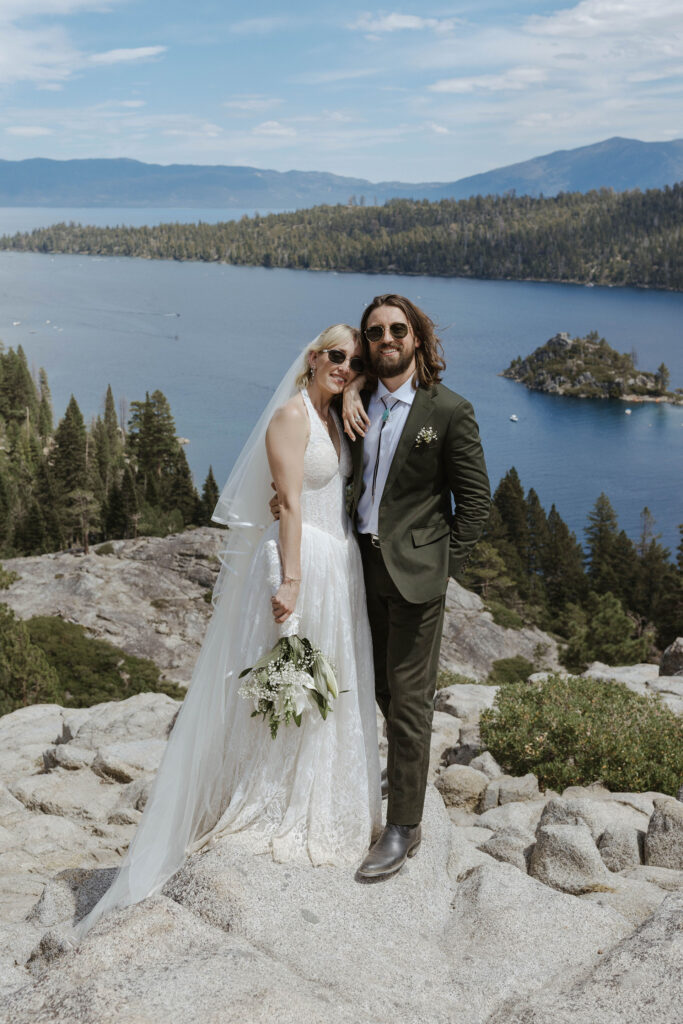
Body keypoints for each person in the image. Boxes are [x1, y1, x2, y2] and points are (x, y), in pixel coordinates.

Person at [71, 324, 382, 942]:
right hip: (302, 563)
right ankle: (267, 797)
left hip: (336, 562)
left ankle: (318, 792)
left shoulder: (335, 411)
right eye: (336, 356)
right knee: (289, 686)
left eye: (356, 361)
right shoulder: (291, 418)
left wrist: (353, 392)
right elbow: (288, 504)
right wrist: (290, 582)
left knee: (325, 687)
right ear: (313, 358)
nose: (346, 366)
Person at [341, 294, 491, 879]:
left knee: (409, 699)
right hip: (362, 568)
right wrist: (351, 388)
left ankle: (405, 823)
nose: (387, 339)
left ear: (418, 339)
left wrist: (441, 563)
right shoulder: (358, 406)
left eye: (398, 330)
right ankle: (407, 770)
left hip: (416, 578)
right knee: (377, 685)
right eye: (375, 332)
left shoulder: (449, 410)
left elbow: (475, 502)